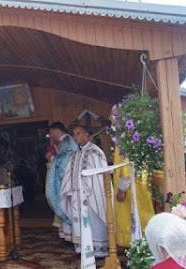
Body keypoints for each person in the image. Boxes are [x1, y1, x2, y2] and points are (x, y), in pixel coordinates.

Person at [60, 125, 109, 267]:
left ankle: (99, 250)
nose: (76, 137)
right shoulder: (75, 154)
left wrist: (91, 191)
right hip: (76, 195)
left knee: (94, 222)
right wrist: (69, 191)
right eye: (74, 134)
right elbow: (69, 174)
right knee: (79, 222)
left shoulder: (95, 152)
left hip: (92, 195)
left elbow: (100, 175)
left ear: (86, 134)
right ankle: (83, 248)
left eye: (78, 133)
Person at [109, 104, 155, 247]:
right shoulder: (127, 134)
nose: (110, 118)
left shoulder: (126, 137)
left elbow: (127, 164)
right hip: (135, 183)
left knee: (136, 215)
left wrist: (122, 188)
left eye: (112, 114)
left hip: (131, 186)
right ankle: (140, 249)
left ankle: (140, 250)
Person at [45, 122, 78, 229]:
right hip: (63, 178)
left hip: (68, 180)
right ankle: (67, 234)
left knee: (68, 206)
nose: (51, 135)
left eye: (51, 133)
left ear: (56, 131)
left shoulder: (68, 141)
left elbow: (68, 158)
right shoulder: (63, 141)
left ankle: (73, 235)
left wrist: (54, 158)